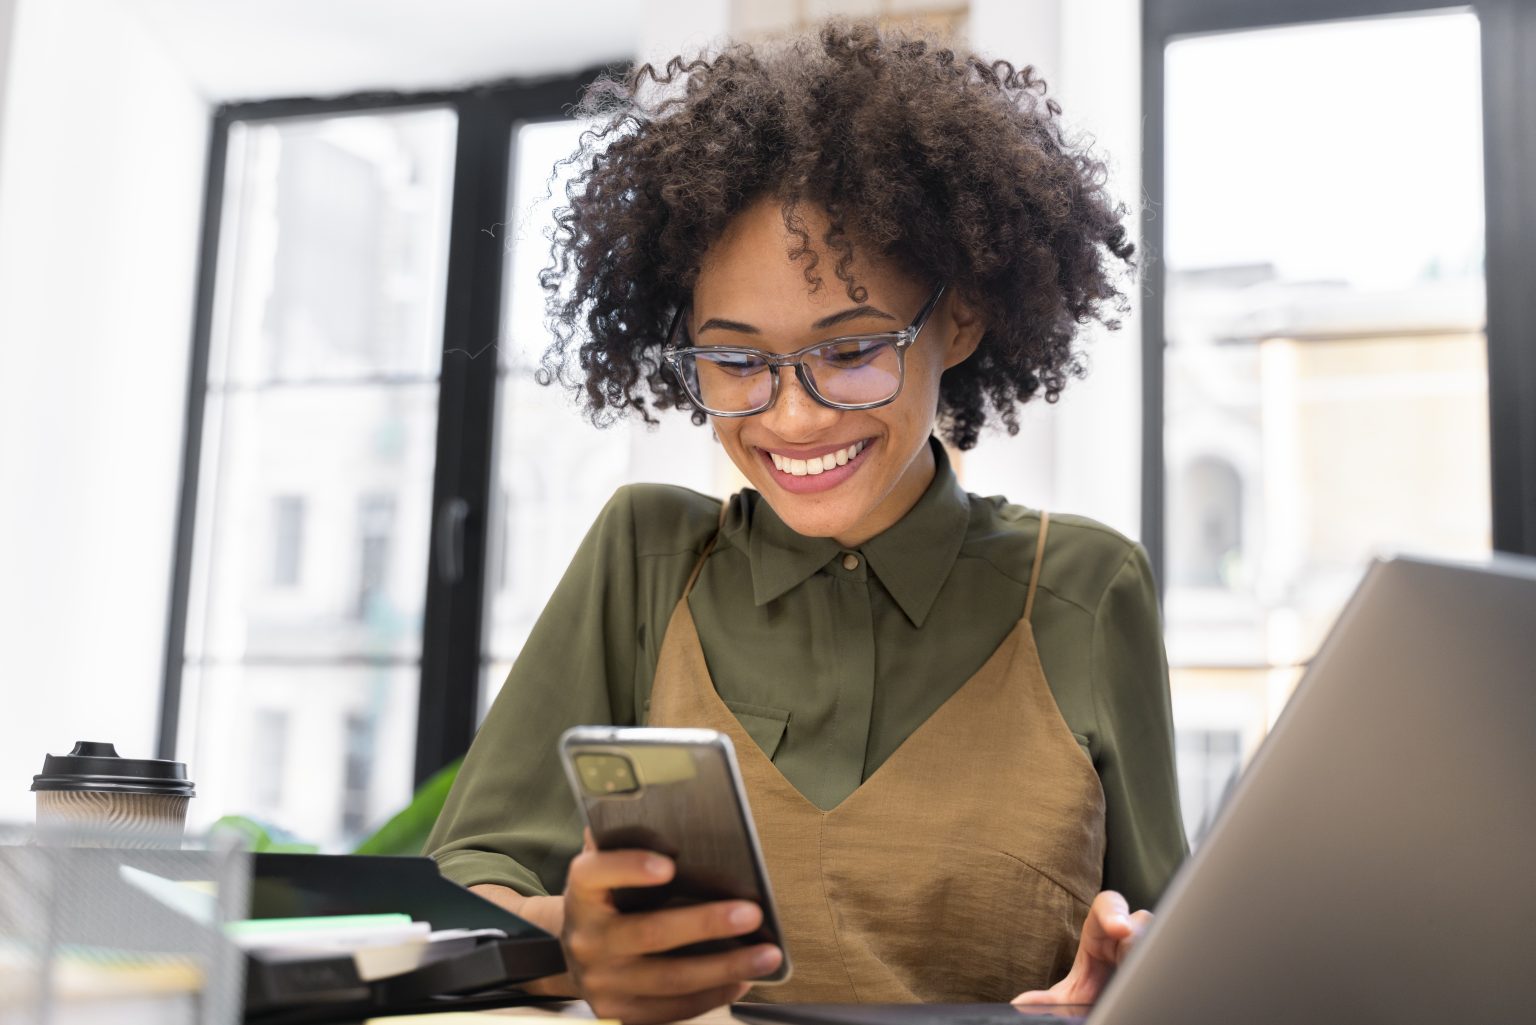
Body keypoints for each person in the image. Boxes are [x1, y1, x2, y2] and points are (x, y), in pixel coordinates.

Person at [427, 19, 1187, 1024]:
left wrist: (1125, 984)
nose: (792, 417)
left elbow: (1179, 950)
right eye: (737, 361)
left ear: (959, 318)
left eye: (852, 350)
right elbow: (461, 892)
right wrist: (568, 945)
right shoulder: (648, 558)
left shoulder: (1085, 589)